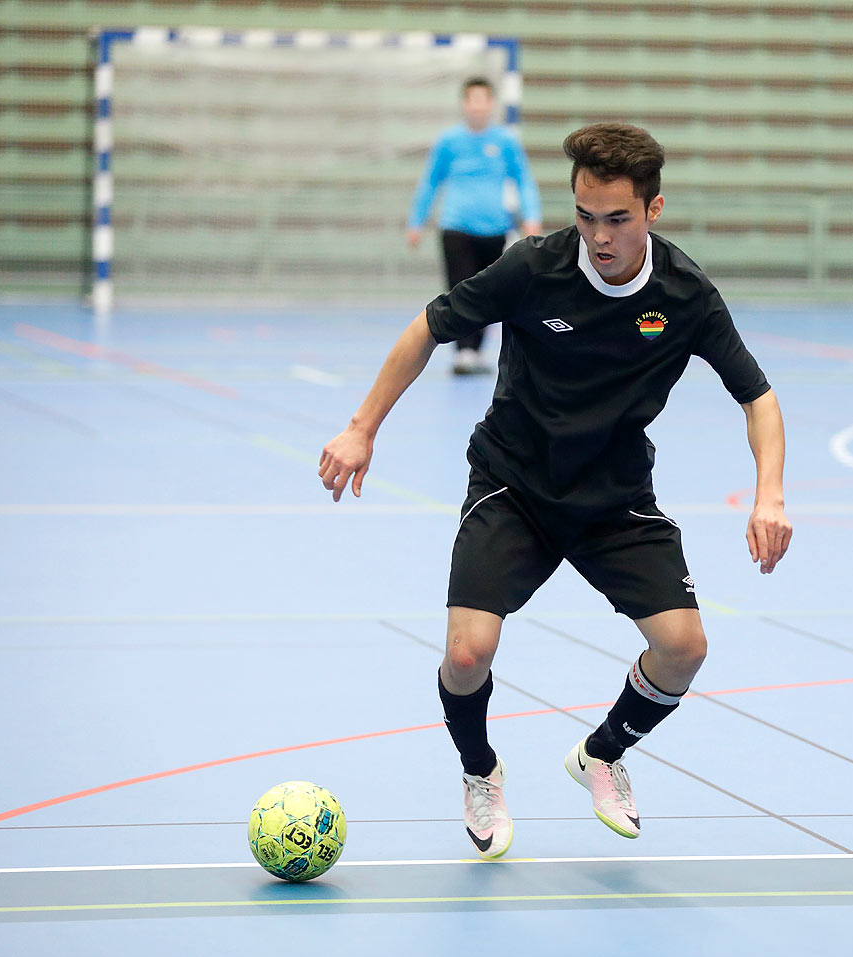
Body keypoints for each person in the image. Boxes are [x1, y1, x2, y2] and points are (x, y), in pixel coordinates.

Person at [322, 122, 792, 860]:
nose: (599, 236)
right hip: (513, 484)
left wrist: (771, 495)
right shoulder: (531, 269)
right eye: (584, 216)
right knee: (467, 654)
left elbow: (757, 396)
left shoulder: (685, 293)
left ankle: (602, 754)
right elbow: (429, 327)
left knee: (684, 648)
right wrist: (361, 428)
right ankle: (481, 771)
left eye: (617, 218)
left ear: (653, 211)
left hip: (613, 497)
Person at [406, 76, 543, 375]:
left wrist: (531, 218)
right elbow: (431, 182)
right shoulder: (449, 142)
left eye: (484, 100)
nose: (478, 106)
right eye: (473, 100)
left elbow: (523, 181)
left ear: (491, 104)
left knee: (489, 292)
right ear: (465, 104)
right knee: (460, 288)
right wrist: (416, 222)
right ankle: (463, 350)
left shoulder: (505, 141)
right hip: (456, 227)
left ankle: (476, 349)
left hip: (494, 230)